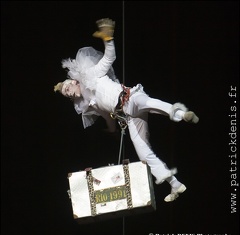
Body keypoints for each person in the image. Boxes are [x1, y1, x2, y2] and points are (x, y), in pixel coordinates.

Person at [54, 18, 199, 202]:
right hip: (129, 116)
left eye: (67, 89)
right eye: (66, 95)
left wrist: (108, 39)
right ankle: (175, 184)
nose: (68, 93)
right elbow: (108, 117)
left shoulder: (92, 75)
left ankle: (181, 114)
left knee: (150, 103)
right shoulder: (91, 104)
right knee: (143, 153)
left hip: (130, 97)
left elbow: (109, 58)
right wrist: (112, 129)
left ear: (74, 81)